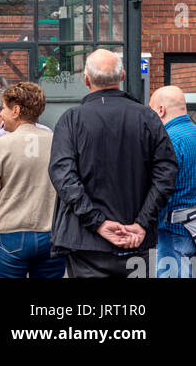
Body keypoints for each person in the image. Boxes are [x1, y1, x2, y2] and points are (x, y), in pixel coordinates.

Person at [48, 49, 178, 279]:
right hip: (135, 240)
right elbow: (166, 172)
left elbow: (63, 176)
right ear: (123, 76)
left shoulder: (72, 120)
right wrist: (142, 223)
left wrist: (97, 222)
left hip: (86, 242)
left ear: (86, 80)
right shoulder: (147, 117)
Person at [0, 81, 64, 279]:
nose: (2, 114)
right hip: (52, 233)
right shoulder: (57, 141)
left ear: (16, 110)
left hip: (11, 233)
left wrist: (8, 197)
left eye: (4, 108)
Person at [149, 85, 196, 277]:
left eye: (151, 111)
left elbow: (160, 191)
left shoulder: (167, 142)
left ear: (161, 110)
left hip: (172, 231)